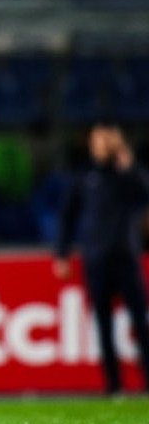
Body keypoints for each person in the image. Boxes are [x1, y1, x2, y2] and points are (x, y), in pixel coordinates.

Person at [54, 122, 149, 395]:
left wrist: (127, 163)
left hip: (126, 256)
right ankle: (113, 384)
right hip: (96, 258)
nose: (102, 145)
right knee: (103, 322)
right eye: (98, 140)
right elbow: (68, 216)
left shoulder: (126, 175)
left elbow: (144, 193)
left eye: (107, 140)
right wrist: (62, 253)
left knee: (139, 320)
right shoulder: (85, 177)